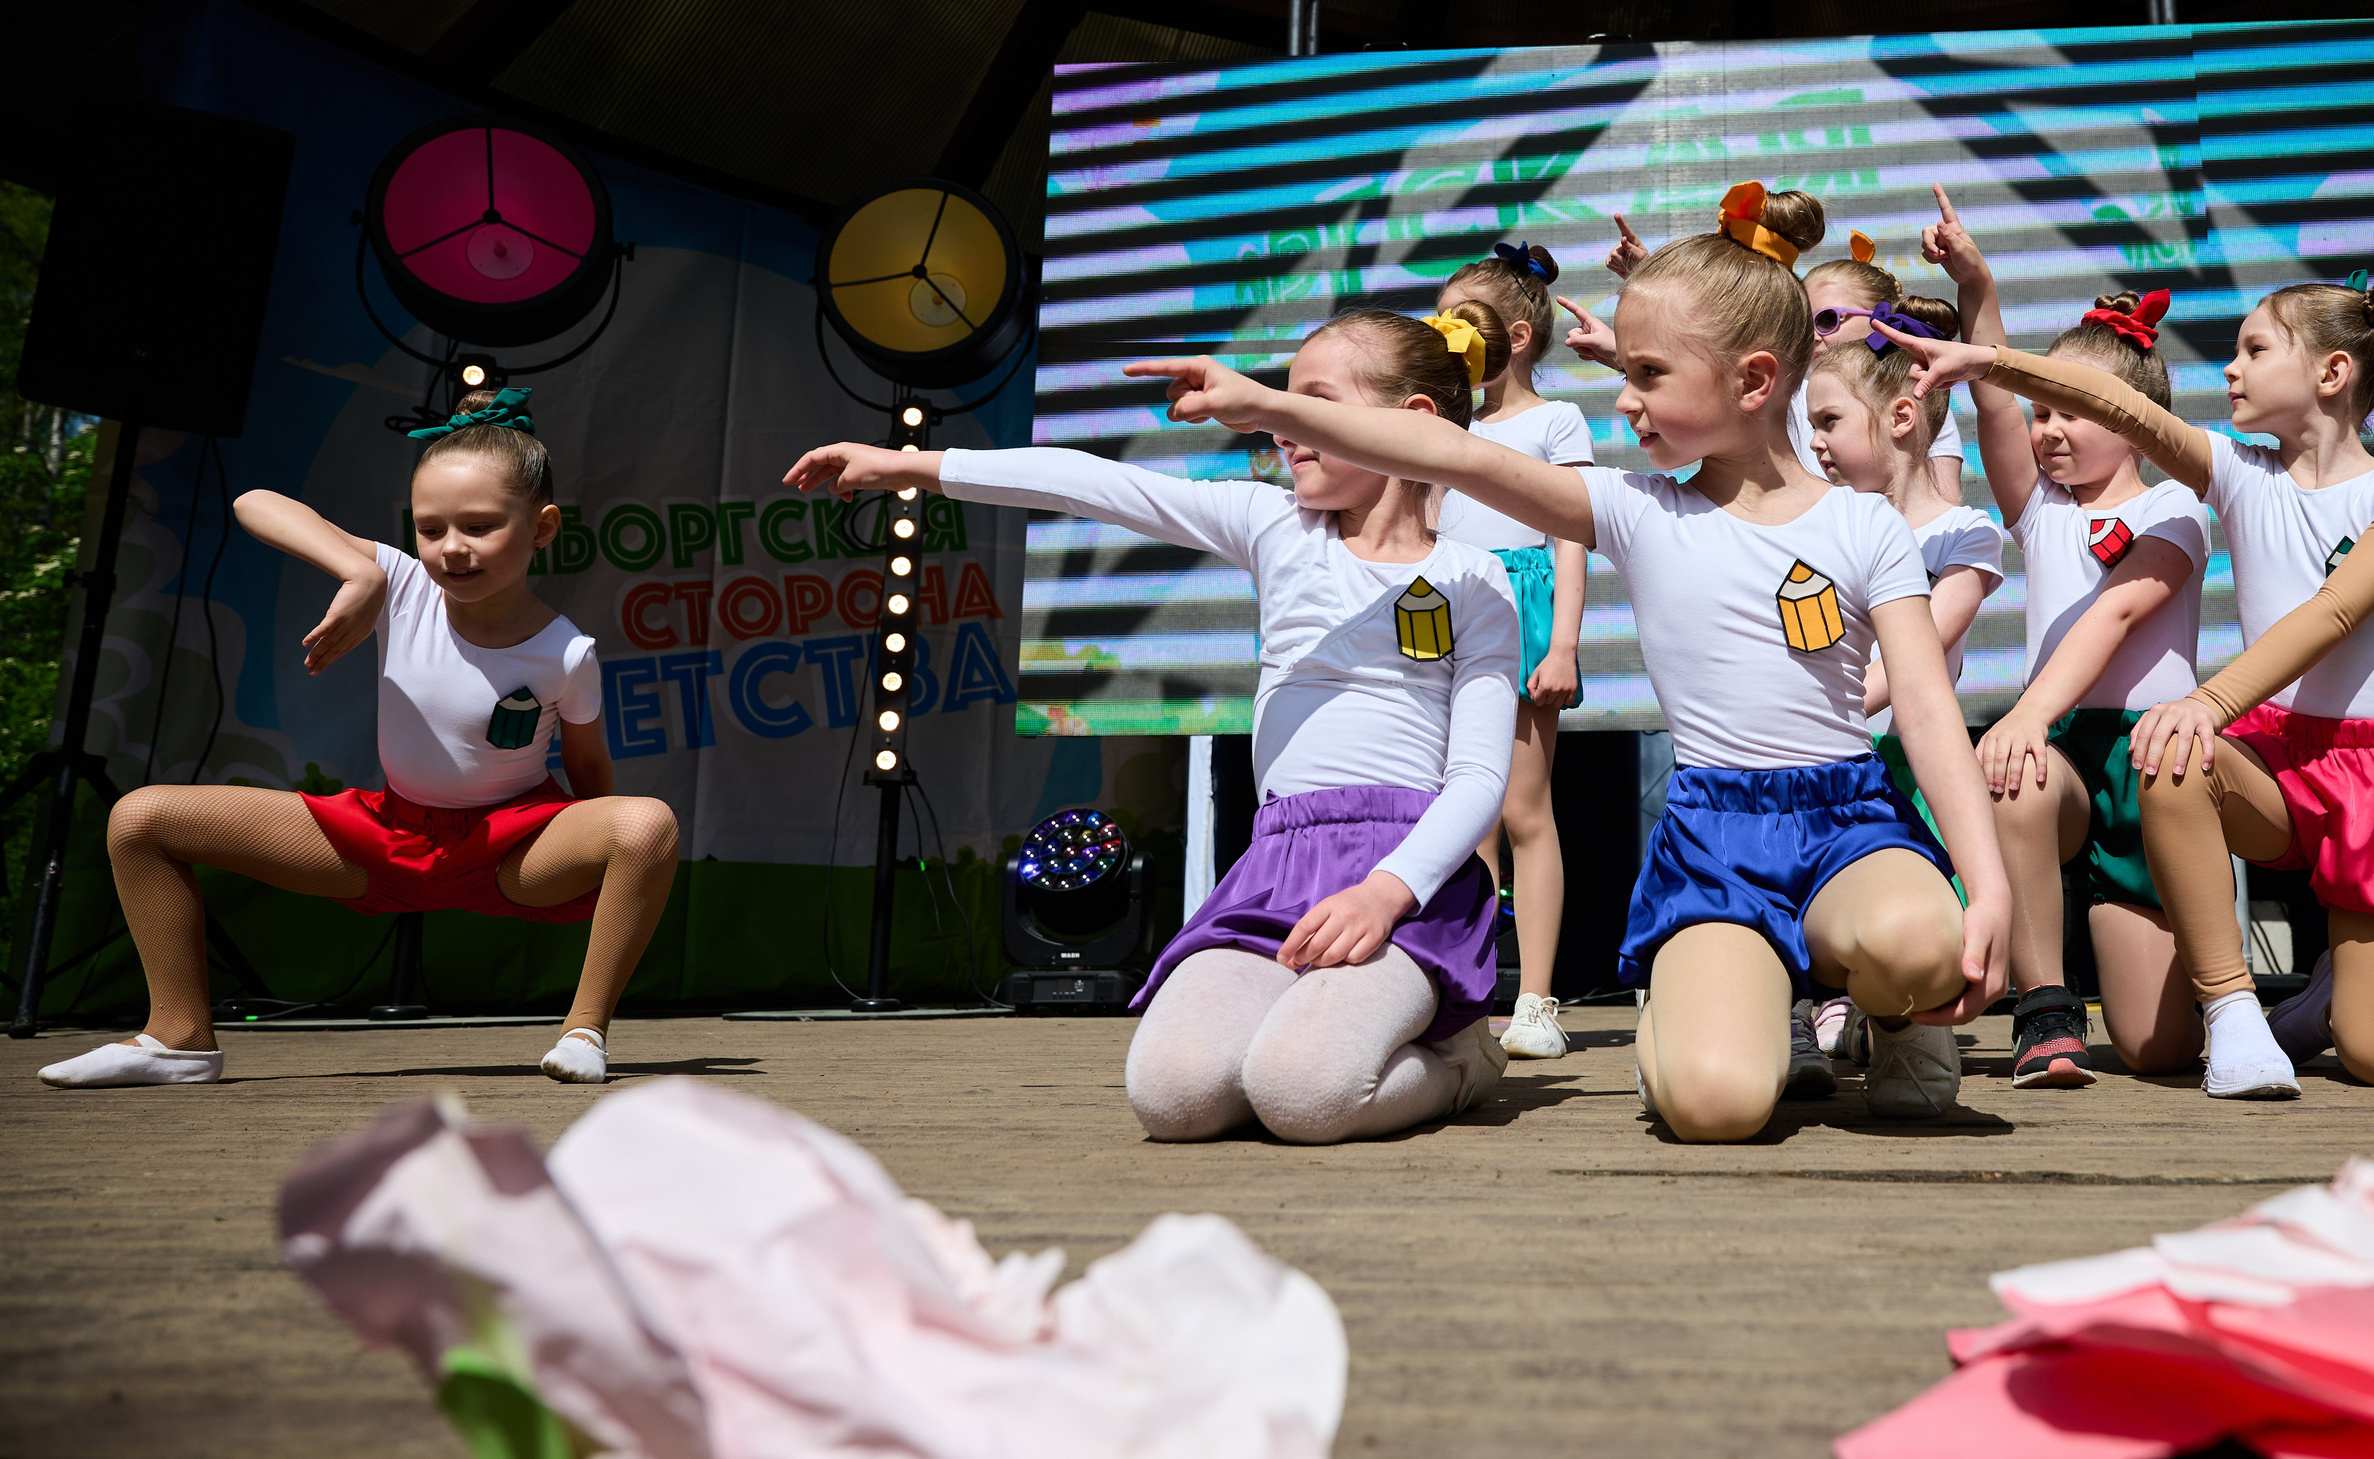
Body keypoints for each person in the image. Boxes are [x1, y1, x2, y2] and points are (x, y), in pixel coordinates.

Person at [1132, 182, 2014, 1144]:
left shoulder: (1865, 527)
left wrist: (1988, 884)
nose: (1623, 397)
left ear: (1754, 382)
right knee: (1714, 1109)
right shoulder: (1638, 509)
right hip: (1718, 838)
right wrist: (1263, 404)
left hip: (1847, 817)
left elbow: (1926, 716)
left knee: (1923, 943)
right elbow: (1441, 450)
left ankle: (1895, 1025)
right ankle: (1692, 1028)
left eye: (1646, 372)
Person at [784, 310, 1518, 1146]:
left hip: (1403, 877)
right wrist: (908, 465)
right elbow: (1084, 481)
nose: (1285, 423)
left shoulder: (1475, 576)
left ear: (1411, 422)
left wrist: (1388, 891)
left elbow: (1478, 780)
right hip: (1279, 867)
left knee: (1303, 1093)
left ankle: (1461, 1061)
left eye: (1312, 402)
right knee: (1173, 1096)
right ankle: (1319, 1024)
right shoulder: (1273, 524)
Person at [1882, 272, 2374, 1099]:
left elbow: (2336, 609)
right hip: (2275, 761)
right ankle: (2233, 1011)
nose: (2232, 371)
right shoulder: (2238, 474)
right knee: (2174, 752)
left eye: (2253, 350)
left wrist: (2209, 698)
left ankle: (2319, 1003)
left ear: (2332, 373)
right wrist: (1990, 358)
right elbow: (2122, 402)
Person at [39, 389, 680, 1089]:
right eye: (430, 528)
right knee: (140, 820)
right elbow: (253, 500)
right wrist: (361, 569)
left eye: (479, 526)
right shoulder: (401, 583)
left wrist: (600, 867)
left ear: (542, 526)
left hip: (514, 849)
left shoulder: (565, 653)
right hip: (384, 836)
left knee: (647, 825)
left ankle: (584, 1029)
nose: (451, 548)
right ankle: (178, 1036)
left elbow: (590, 772)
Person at [1921, 194, 2214, 1088]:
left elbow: (2117, 613)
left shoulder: (2176, 506)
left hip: (2151, 760)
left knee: (2158, 1050)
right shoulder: (2039, 511)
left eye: (2065, 411)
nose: (2044, 428)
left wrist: (2027, 706)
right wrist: (1977, 286)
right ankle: (2044, 1005)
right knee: (2015, 770)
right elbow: (1995, 405)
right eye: (2040, 412)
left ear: (2128, 417)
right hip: (2056, 752)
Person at [1797, 294, 2006, 1076]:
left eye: (1828, 424)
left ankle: (1905, 1028)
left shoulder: (1962, 535)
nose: (1813, 442)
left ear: (1900, 420)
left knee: (1918, 900)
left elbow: (1918, 655)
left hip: (1905, 757)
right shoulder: (1816, 529)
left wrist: (1836, 712)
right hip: (1828, 751)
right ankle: (1809, 1010)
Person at [1429, 244, 1594, 1061]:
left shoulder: (1554, 421)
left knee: (1523, 809)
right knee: (1463, 817)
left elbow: (1570, 536)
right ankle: (1463, 990)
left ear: (1517, 336)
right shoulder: (1438, 423)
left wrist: (1562, 642)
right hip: (1447, 612)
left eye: (1461, 320)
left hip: (1521, 609)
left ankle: (1534, 999)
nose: (1445, 332)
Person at [1587, 210, 1966, 499]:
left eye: (1829, 320)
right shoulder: (1791, 390)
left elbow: (1941, 504)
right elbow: (1707, 361)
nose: (1813, 336)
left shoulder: (1918, 391)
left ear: (1884, 319)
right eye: (1805, 323)